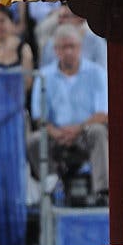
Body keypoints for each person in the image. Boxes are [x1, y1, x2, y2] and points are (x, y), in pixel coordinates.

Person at [27, 24, 109, 204]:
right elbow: (39, 116)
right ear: (56, 50)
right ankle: (51, 188)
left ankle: (103, 192)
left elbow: (103, 113)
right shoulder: (44, 75)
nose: (68, 51)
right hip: (56, 135)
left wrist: (77, 129)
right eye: (63, 47)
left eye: (72, 46)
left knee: (98, 131)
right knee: (34, 141)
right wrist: (55, 132)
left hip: (85, 133)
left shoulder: (97, 73)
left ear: (80, 48)